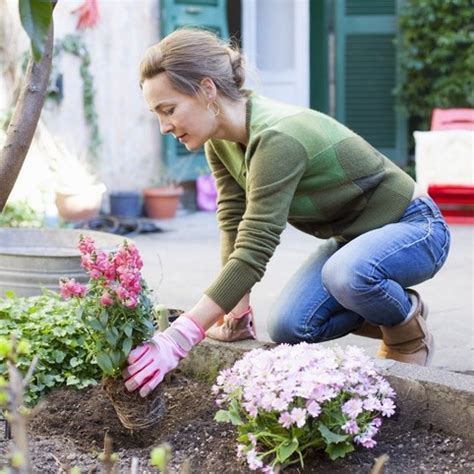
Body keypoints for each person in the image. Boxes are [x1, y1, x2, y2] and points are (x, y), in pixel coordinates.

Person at [123, 28, 451, 397]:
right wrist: (236, 312)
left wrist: (179, 337)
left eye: (169, 110)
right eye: (157, 114)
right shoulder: (220, 141)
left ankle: (406, 333)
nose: (164, 126)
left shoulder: (277, 137)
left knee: (347, 274)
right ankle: (397, 307)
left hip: (416, 226)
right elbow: (234, 219)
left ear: (207, 89)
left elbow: (255, 247)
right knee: (291, 327)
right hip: (355, 241)